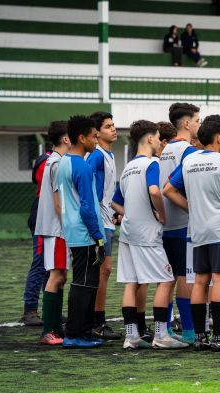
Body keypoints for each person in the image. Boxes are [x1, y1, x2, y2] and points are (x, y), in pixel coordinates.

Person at [164, 118, 220, 351]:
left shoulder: (189, 160)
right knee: (219, 279)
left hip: (197, 229)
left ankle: (200, 337)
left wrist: (192, 208)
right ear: (219, 137)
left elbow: (169, 190)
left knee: (200, 281)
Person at [111, 120, 186, 350]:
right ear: (151, 138)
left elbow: (115, 203)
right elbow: (155, 190)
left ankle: (131, 336)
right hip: (146, 234)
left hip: (128, 233)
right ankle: (162, 335)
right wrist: (160, 213)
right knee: (166, 280)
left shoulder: (128, 168)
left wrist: (132, 213)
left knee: (131, 282)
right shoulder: (151, 163)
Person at [56, 115, 105, 348]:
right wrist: (98, 235)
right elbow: (86, 207)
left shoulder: (64, 161)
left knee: (85, 282)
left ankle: (83, 332)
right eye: (94, 136)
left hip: (73, 230)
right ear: (81, 137)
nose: (97, 140)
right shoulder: (82, 166)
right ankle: (75, 334)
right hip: (85, 232)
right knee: (84, 283)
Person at [159, 103, 201, 344]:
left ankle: (165, 330)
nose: (199, 124)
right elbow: (172, 189)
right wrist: (194, 209)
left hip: (165, 225)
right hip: (183, 224)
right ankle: (188, 330)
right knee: (186, 278)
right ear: (186, 124)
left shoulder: (164, 149)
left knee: (168, 280)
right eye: (197, 119)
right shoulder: (188, 151)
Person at [35, 121, 71, 345]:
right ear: (66, 139)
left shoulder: (53, 161)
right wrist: (70, 228)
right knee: (56, 276)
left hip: (55, 228)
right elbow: (59, 204)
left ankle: (55, 328)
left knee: (60, 276)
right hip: (57, 229)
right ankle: (49, 330)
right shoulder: (57, 163)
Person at [86, 111, 121, 341]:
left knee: (103, 272)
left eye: (113, 125)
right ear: (97, 133)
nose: (114, 129)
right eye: (108, 126)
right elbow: (89, 191)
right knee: (101, 271)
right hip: (99, 222)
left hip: (107, 220)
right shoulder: (97, 156)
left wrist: (115, 212)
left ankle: (97, 320)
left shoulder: (109, 155)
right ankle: (96, 321)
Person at [21, 146, 52, 327]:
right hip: (42, 214)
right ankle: (30, 310)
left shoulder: (49, 160)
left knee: (52, 265)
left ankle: (49, 309)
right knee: (40, 262)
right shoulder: (47, 161)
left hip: (49, 214)